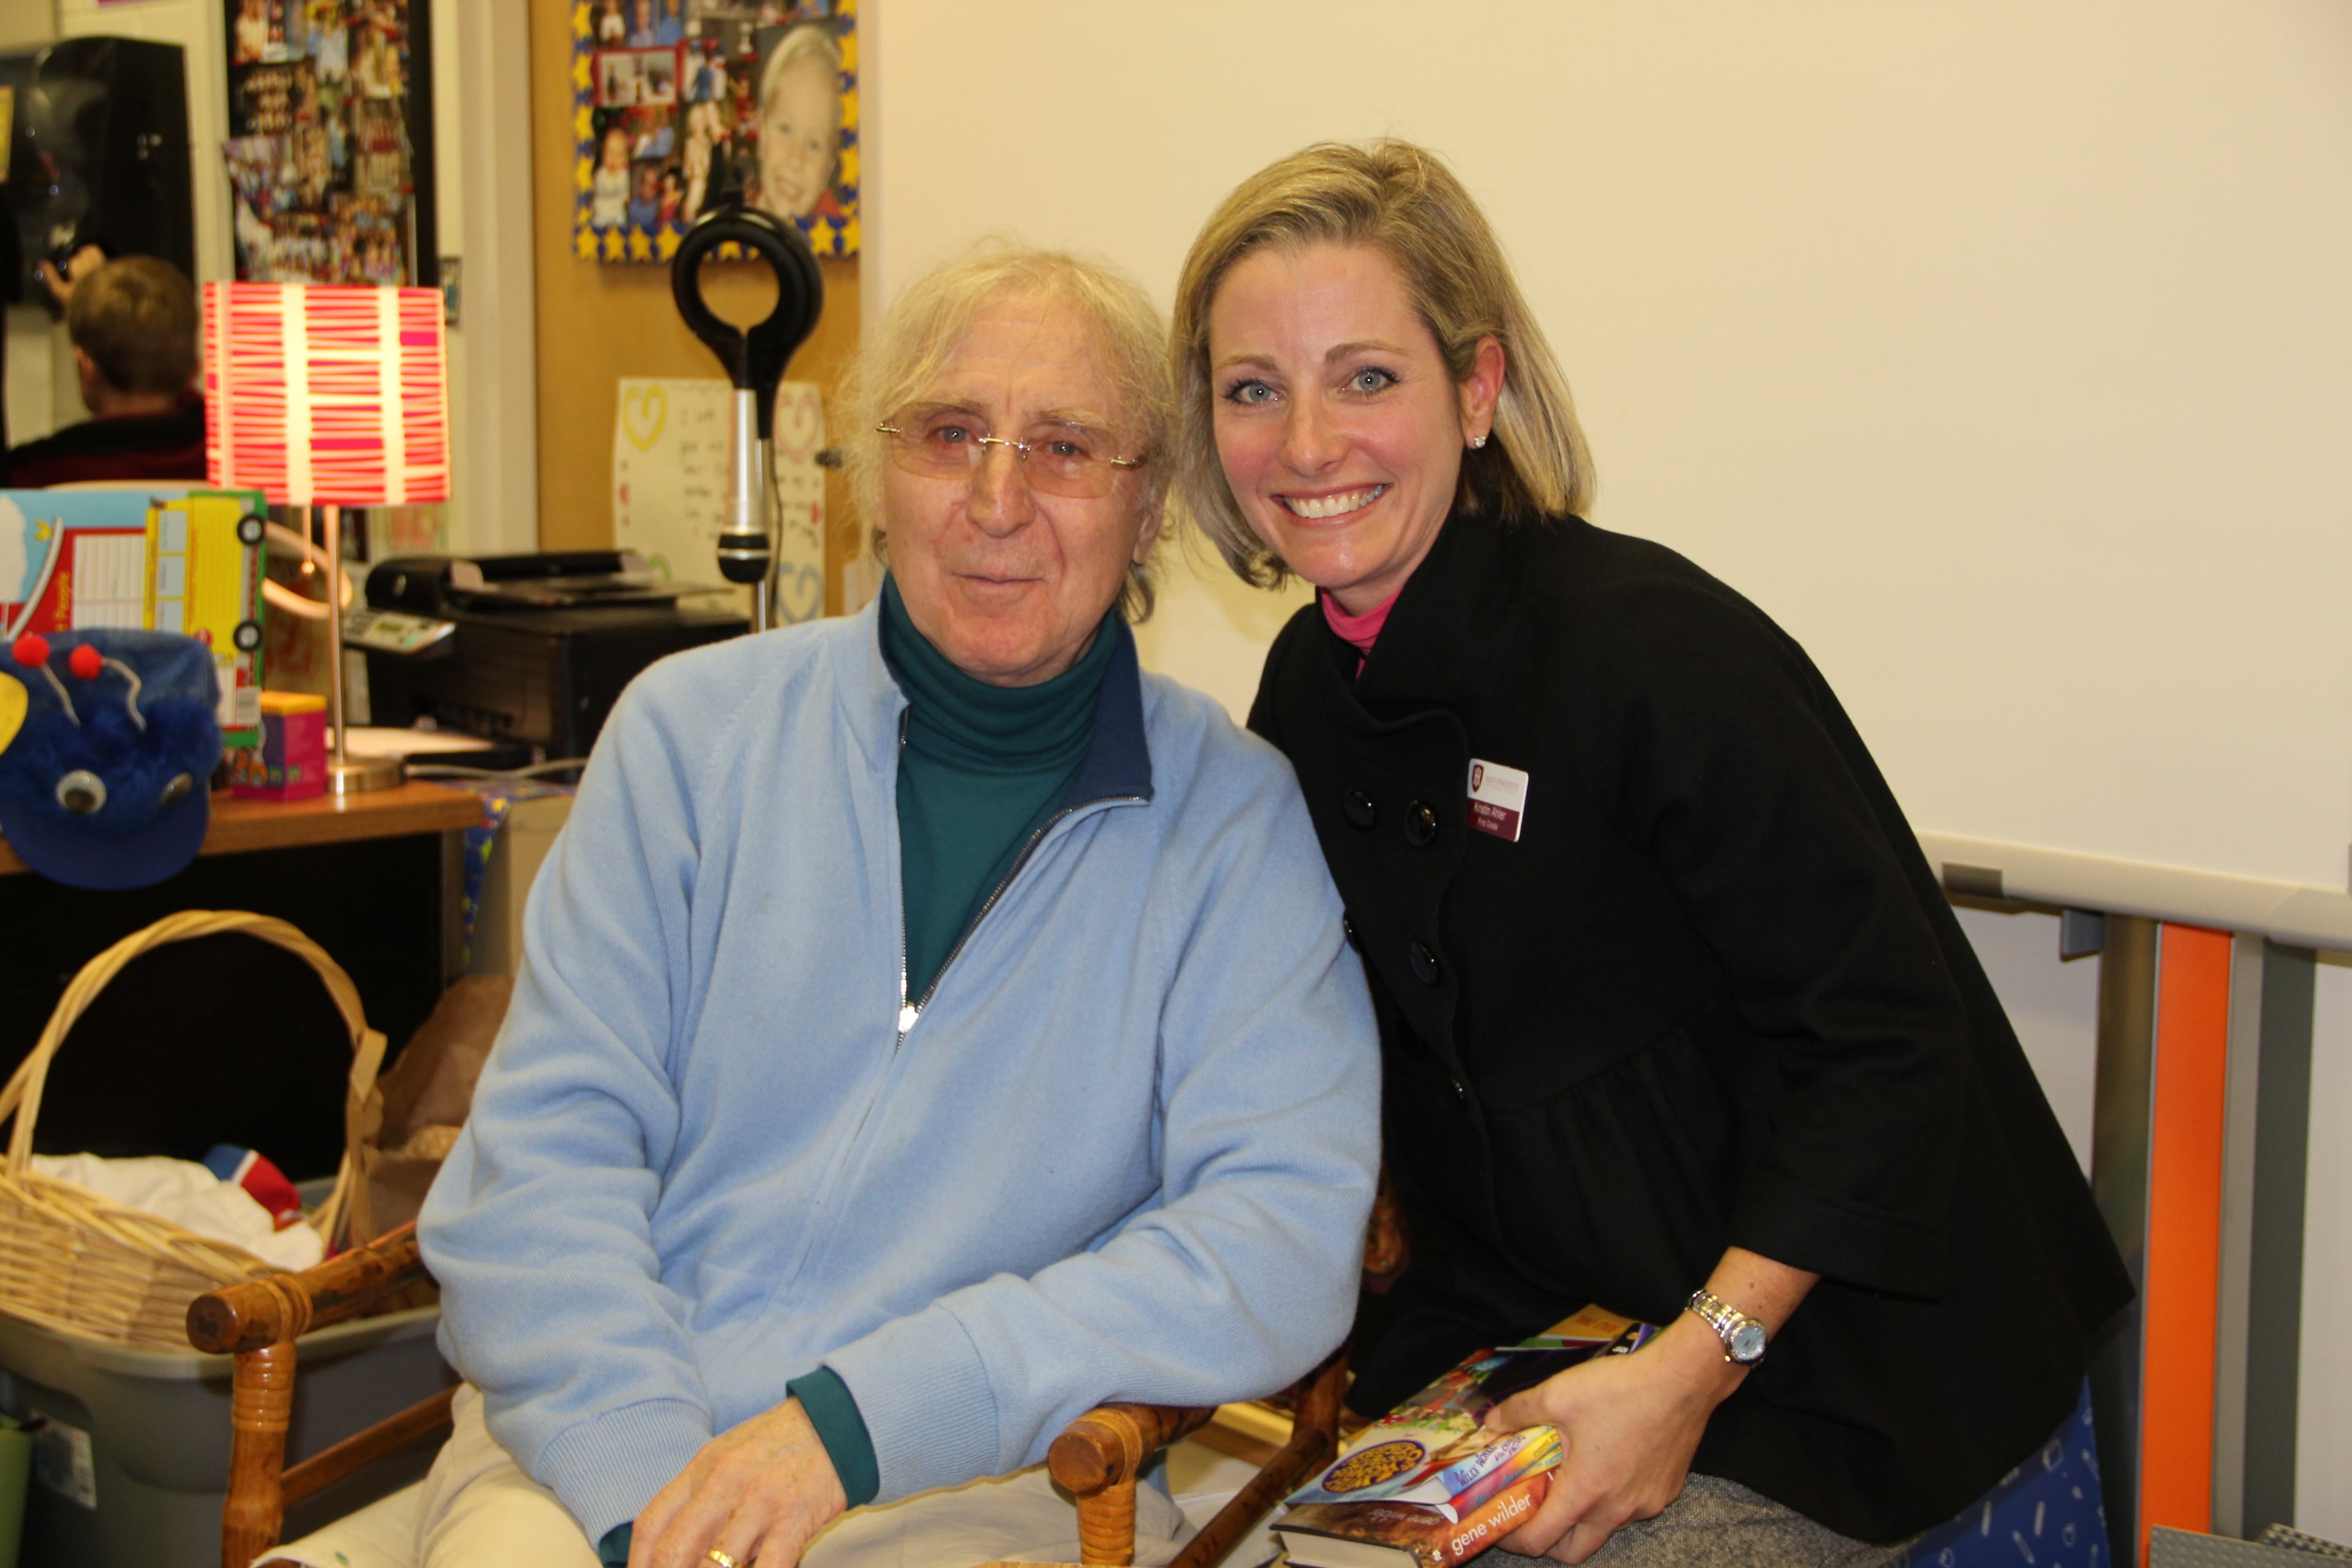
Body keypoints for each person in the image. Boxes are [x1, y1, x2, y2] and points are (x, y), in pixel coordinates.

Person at [1171, 139, 2133, 1564]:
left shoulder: (1650, 654)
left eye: (1365, 376)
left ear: (1477, 388)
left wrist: (1693, 1361)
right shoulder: (1309, 696)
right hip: (1547, 1330)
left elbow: (1887, 1047)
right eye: (1254, 388)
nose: (1306, 443)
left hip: (1826, 1360)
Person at [396, 244, 1382, 1568]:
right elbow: (541, 1165)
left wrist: (865, 1419)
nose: (996, 497)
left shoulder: (1234, 823)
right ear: (876, 475)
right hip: (595, 1446)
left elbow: (1275, 1235)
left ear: (1150, 511)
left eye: (1067, 447)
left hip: (984, 1476)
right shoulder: (688, 738)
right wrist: (649, 1493)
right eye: (949, 433)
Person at [0, 255, 204, 488]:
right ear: (193, 371)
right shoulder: (225, 458)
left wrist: (93, 312)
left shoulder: (32, 474)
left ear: (85, 365)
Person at [755, 23, 840, 222]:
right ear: (762, 132)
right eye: (785, 130)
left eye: (814, 145)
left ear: (829, 167)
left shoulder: (838, 241)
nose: (795, 159)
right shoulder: (732, 233)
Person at [589, 126, 631, 230]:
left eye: (620, 155)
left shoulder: (624, 175)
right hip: (602, 210)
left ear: (626, 159)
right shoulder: (601, 175)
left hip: (617, 211)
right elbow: (600, 192)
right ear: (603, 155)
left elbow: (625, 196)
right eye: (610, 153)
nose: (614, 159)